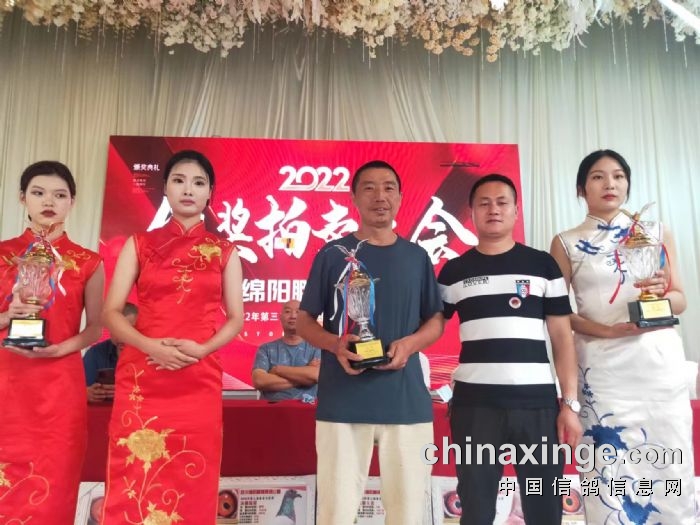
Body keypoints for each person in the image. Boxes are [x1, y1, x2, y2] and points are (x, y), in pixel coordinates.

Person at [550, 150, 695, 524]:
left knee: (669, 460)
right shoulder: (566, 242)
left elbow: (680, 299)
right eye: (598, 177)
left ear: (628, 183)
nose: (609, 184)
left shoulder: (656, 232)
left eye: (618, 176)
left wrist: (661, 295)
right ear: (581, 188)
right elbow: (556, 313)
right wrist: (607, 330)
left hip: (658, 365)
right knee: (609, 469)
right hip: (603, 371)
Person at [100, 150, 244, 524]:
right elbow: (111, 313)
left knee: (193, 476)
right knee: (134, 475)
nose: (188, 190)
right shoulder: (140, 244)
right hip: (143, 375)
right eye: (179, 181)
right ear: (165, 188)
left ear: (210, 193)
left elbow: (236, 319)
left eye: (198, 183)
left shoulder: (224, 251)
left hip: (198, 377)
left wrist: (203, 349)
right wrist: (149, 346)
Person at [297, 160, 444, 525]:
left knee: (409, 514)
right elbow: (304, 320)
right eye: (369, 188)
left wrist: (409, 345)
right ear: (353, 198)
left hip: (407, 403)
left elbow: (435, 321)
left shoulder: (417, 257)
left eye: (389, 187)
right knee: (336, 513)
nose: (380, 196)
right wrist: (335, 344)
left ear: (400, 197)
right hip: (343, 402)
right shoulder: (332, 254)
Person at [438, 174, 582, 525]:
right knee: (477, 508)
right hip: (474, 407)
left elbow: (562, 338)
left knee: (544, 508)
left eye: (502, 202)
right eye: (484, 203)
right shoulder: (454, 271)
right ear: (471, 212)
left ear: (516, 211)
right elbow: (430, 327)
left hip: (536, 406)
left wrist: (570, 404)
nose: (494, 209)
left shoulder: (542, 265)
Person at [0, 161, 104, 524]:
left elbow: (96, 328)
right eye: (38, 193)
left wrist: (62, 348)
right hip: (7, 383)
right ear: (22, 198)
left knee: (53, 488)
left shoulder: (88, 262)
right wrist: (7, 317)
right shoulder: (2, 254)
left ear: (72, 201)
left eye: (60, 195)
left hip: (59, 388)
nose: (49, 201)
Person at [252, 299, 321, 401]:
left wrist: (278, 370)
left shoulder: (316, 347)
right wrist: (304, 377)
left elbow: (316, 375)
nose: (293, 316)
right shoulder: (266, 349)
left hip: (307, 408)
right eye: (288, 311)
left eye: (298, 312)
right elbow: (259, 381)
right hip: (272, 408)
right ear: (280, 317)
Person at [84, 302, 137, 402]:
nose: (121, 337)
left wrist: (126, 391)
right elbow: (75, 389)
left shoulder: (149, 352)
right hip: (102, 409)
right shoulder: (95, 353)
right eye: (116, 329)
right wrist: (86, 393)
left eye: (128, 329)